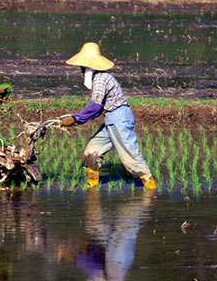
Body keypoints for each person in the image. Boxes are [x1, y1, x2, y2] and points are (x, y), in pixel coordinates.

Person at [59, 43, 157, 189]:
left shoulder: (100, 79)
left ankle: (151, 189)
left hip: (119, 120)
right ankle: (92, 188)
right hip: (111, 120)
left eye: (82, 66)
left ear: (87, 66)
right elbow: (98, 109)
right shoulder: (100, 79)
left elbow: (95, 106)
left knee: (131, 157)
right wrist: (77, 120)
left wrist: (75, 118)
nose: (80, 69)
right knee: (92, 151)